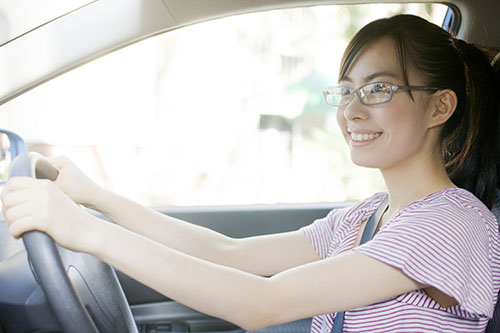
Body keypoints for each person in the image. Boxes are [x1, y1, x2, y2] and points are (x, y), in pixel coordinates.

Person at [2, 14, 500, 332]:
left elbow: (262, 304)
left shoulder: (452, 225)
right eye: (345, 91)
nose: (351, 110)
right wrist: (98, 198)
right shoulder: (365, 218)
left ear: (439, 107)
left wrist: (87, 233)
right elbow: (231, 254)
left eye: (378, 90)